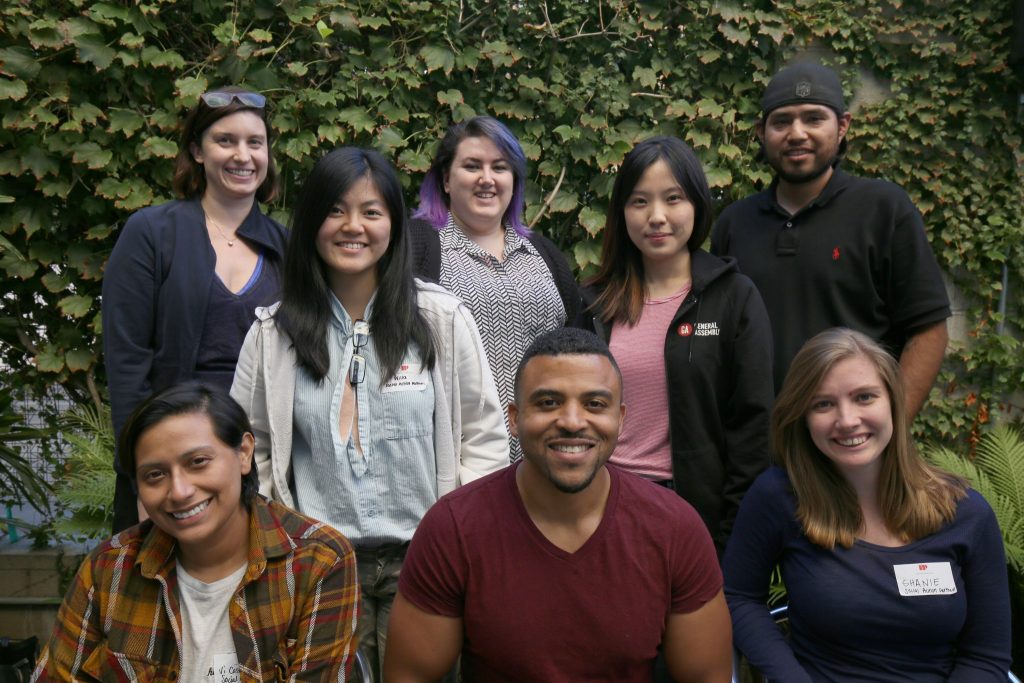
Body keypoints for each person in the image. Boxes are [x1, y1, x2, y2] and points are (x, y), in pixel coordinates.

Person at [230, 146, 509, 680]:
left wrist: (459, 537)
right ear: (312, 222)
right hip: (322, 565)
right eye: (335, 210)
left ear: (394, 225)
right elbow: (250, 444)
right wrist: (279, 535)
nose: (353, 226)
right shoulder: (273, 333)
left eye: (372, 211)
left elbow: (483, 436)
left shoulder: (441, 318)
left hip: (425, 562)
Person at [384, 328, 732, 683]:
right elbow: (410, 676)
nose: (572, 422)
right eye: (549, 402)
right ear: (514, 418)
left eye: (594, 404)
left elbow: (708, 676)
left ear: (621, 419)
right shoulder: (453, 529)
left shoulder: (674, 529)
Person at [723, 328, 1011, 682]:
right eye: (823, 404)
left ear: (893, 400)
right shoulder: (779, 497)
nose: (847, 420)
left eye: (864, 397)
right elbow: (739, 597)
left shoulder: (966, 514)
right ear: (802, 416)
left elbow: (985, 657)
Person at [32, 382, 359, 682]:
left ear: (244, 453)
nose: (179, 491)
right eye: (155, 475)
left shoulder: (318, 560)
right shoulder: (109, 568)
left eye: (198, 461)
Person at [711, 62, 950, 418]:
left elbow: (928, 331)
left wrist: (891, 429)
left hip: (850, 436)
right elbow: (714, 331)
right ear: (761, 132)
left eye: (814, 119)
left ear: (842, 126)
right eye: (781, 122)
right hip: (754, 441)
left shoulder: (883, 210)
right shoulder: (734, 223)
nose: (797, 133)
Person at [103, 87, 288, 533]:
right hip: (175, 463)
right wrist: (147, 476)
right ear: (197, 151)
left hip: (262, 460)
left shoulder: (287, 246)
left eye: (255, 142)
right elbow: (127, 362)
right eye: (225, 140)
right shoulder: (151, 233)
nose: (242, 155)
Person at [582, 136, 773, 552]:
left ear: (697, 204)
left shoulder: (733, 298)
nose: (657, 217)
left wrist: (732, 537)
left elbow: (753, 429)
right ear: (621, 211)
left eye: (673, 198)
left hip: (692, 513)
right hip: (598, 504)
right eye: (639, 201)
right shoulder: (594, 303)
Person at [410, 115, 581, 461]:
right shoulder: (418, 247)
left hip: (545, 459)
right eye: (472, 166)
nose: (487, 179)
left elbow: (580, 350)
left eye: (500, 167)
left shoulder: (545, 254)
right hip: (458, 461)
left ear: (514, 181)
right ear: (446, 179)